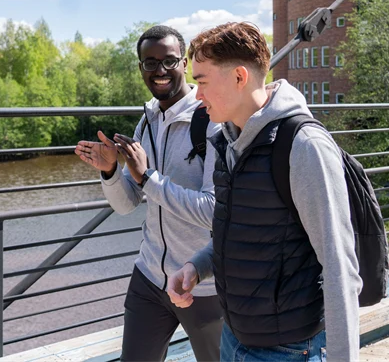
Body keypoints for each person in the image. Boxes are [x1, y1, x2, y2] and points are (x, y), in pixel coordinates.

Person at [166, 22, 361, 361]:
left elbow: (338, 266)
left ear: (239, 77)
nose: (197, 95)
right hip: (234, 337)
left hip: (288, 350)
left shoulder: (305, 146)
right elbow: (244, 232)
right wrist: (197, 267)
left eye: (203, 82)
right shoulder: (228, 141)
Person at [74, 25, 222, 362]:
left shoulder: (212, 120)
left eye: (169, 61)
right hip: (150, 278)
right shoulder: (147, 121)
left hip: (202, 284)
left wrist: (149, 178)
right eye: (150, 63)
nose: (160, 71)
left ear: (184, 63)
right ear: (141, 67)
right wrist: (110, 171)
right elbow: (127, 204)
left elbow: (214, 210)